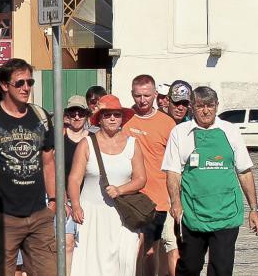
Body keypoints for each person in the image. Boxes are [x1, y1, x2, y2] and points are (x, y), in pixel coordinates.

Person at [0, 58, 56, 276]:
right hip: (4, 217)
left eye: (30, 82)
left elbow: (48, 163)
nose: (26, 88)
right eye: (20, 83)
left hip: (39, 215)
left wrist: (53, 201)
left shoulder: (41, 117)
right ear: (4, 85)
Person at [162, 86, 258, 276]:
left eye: (210, 106)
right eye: (200, 106)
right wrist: (175, 202)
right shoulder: (180, 133)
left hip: (226, 213)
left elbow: (244, 171)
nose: (205, 111)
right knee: (190, 266)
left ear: (217, 106)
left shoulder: (230, 131)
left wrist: (254, 209)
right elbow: (173, 172)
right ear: (192, 107)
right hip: (192, 213)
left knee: (221, 269)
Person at [68, 94, 146, 274]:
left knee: (124, 260)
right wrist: (76, 206)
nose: (112, 118)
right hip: (91, 214)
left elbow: (141, 179)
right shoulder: (86, 144)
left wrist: (120, 189)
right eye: (107, 115)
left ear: (122, 119)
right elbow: (74, 179)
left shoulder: (133, 144)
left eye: (117, 115)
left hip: (123, 214)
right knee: (91, 263)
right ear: (100, 119)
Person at [123, 74, 176, 276]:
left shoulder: (167, 123)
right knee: (133, 251)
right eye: (138, 95)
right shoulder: (124, 119)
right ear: (132, 94)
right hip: (130, 199)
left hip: (160, 200)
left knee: (156, 251)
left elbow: (175, 163)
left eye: (147, 95)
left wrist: (175, 198)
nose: (142, 100)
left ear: (155, 94)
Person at [161, 80, 193, 275]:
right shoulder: (160, 123)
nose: (180, 107)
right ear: (168, 101)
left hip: (188, 194)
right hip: (163, 193)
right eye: (177, 103)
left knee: (184, 247)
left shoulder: (192, 127)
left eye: (185, 103)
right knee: (170, 244)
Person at [62, 95, 90, 275]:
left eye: (81, 113)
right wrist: (62, 200)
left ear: (87, 115)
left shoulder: (93, 139)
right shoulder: (59, 138)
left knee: (87, 246)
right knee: (68, 243)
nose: (77, 116)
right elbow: (52, 170)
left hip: (88, 199)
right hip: (65, 199)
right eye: (73, 113)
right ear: (67, 115)